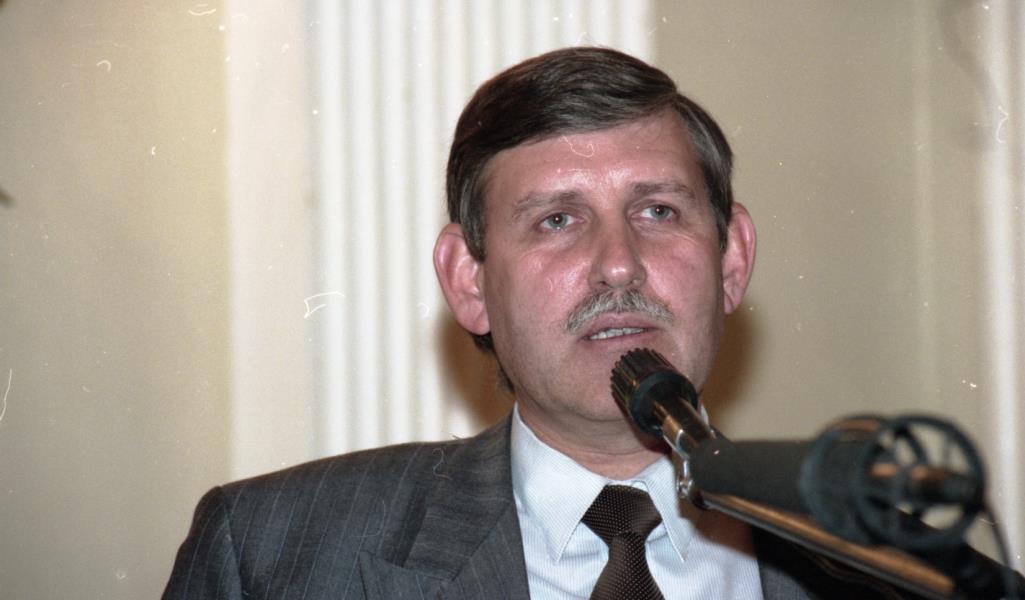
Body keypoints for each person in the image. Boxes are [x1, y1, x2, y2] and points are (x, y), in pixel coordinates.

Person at [162, 47, 916, 600]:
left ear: (731, 259)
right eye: (557, 220)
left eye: (658, 211)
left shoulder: (886, 563)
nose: (617, 266)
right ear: (469, 281)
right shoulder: (272, 553)